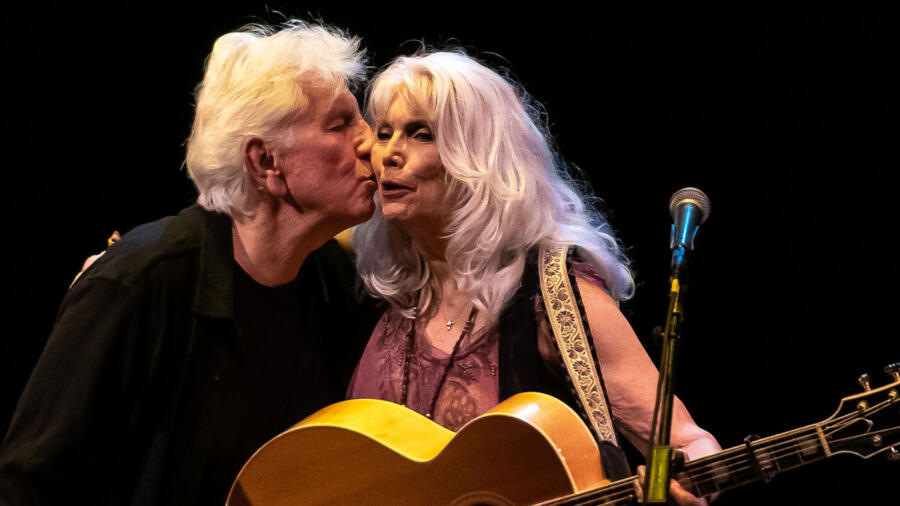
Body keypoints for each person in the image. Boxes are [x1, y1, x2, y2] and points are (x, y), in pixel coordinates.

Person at [0, 20, 379, 504]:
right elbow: (30, 483)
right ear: (265, 163)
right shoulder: (140, 282)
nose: (370, 141)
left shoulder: (334, 284)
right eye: (341, 124)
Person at [347, 51, 721, 505]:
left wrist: (688, 483)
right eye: (384, 133)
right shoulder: (380, 289)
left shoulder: (554, 294)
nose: (388, 154)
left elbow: (687, 442)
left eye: (420, 134)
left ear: (479, 159)